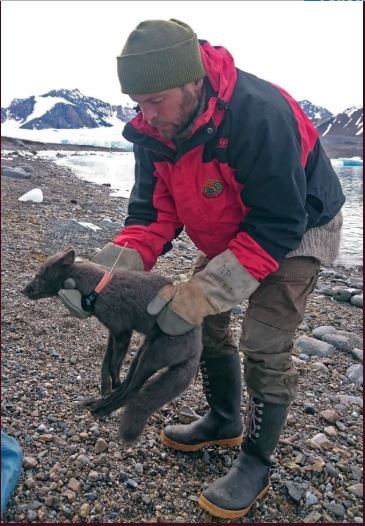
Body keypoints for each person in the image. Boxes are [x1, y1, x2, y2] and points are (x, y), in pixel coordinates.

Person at [59, 19, 345, 519]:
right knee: (201, 320)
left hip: (298, 224)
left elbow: (278, 223)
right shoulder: (154, 130)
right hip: (230, 226)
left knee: (265, 341)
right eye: (138, 103)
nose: (146, 115)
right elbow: (152, 214)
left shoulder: (260, 116)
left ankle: (255, 462)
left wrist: (204, 290)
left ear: (193, 81)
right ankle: (224, 418)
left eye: (156, 101)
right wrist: (103, 273)